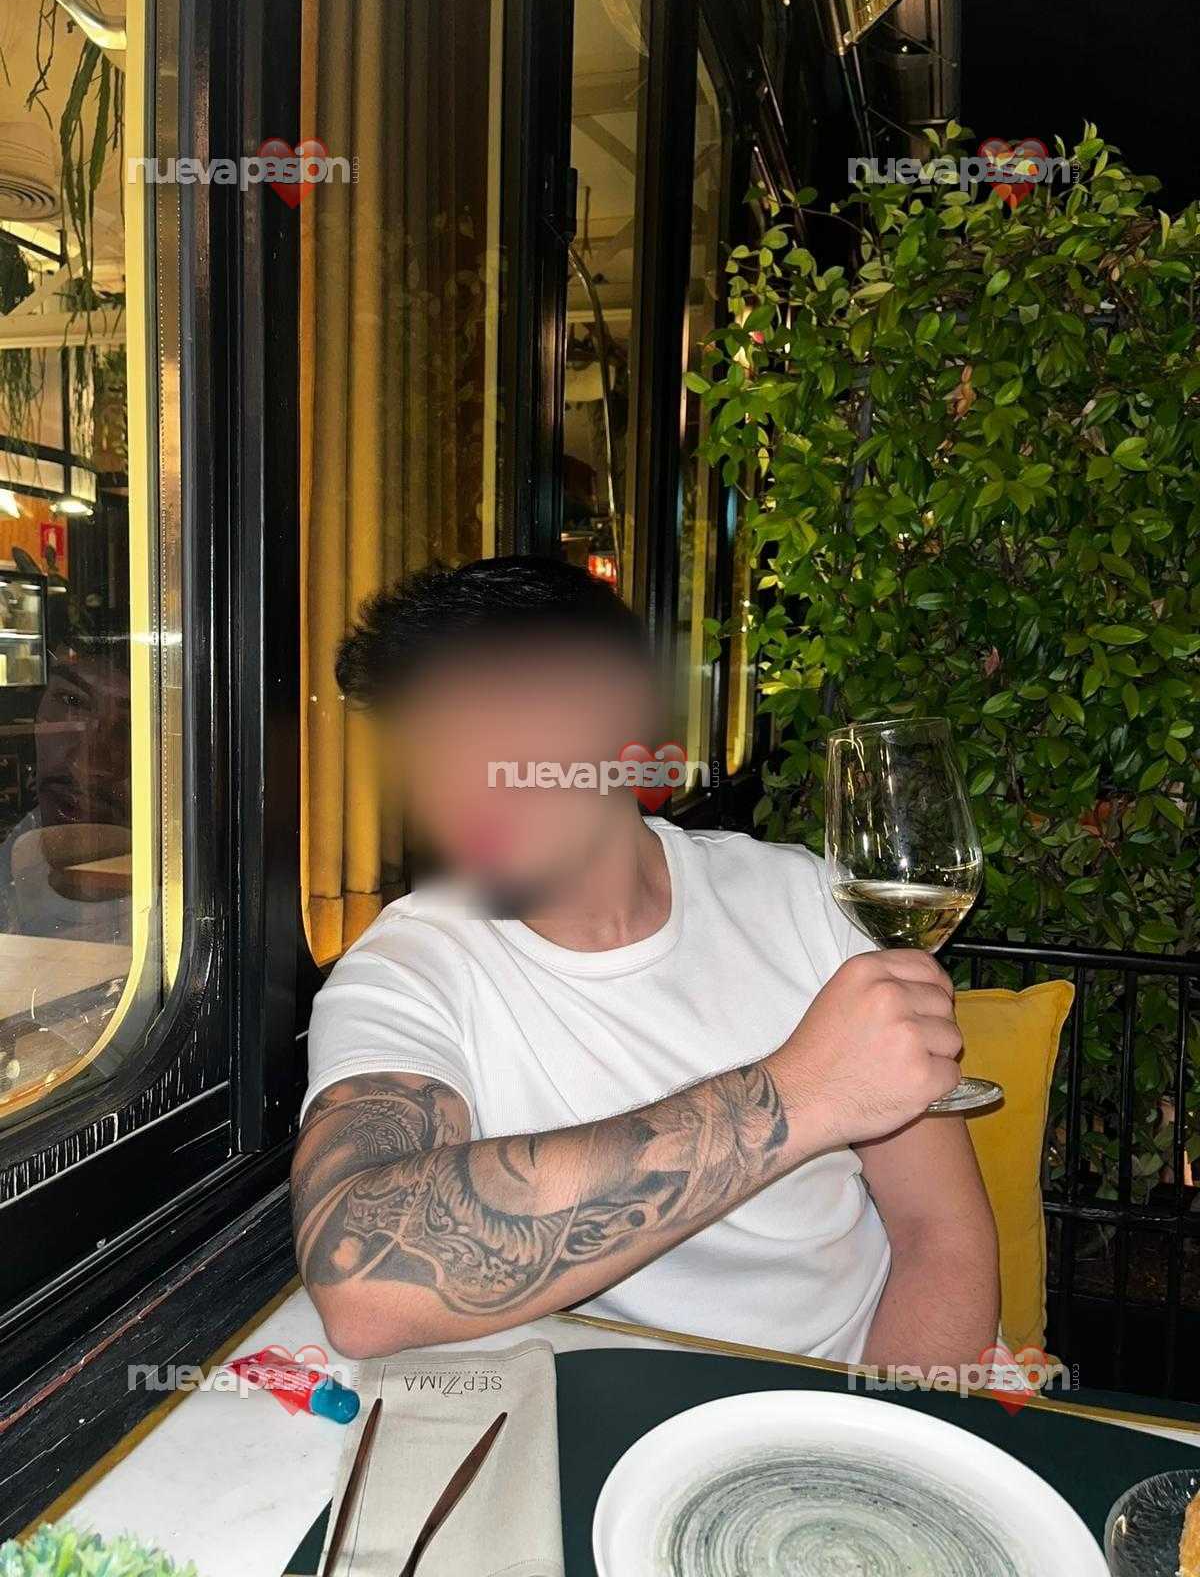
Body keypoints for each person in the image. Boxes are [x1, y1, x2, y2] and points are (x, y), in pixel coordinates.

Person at [293, 556, 998, 1366]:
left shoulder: (807, 900)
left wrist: (875, 1429)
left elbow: (939, 1231)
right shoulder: (406, 970)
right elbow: (362, 1282)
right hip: (608, 1410)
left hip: (850, 1378)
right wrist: (798, 1095)